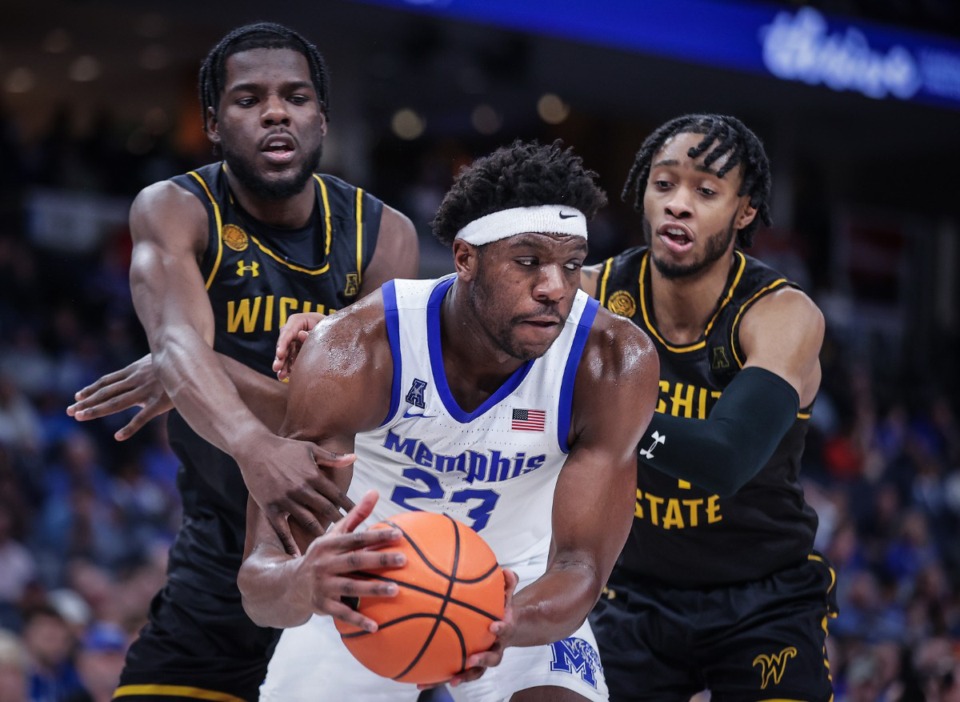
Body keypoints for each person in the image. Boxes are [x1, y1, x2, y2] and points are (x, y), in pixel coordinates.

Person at [231, 139, 659, 701]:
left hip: (522, 583)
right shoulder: (356, 350)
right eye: (529, 261)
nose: (555, 287)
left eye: (572, 265)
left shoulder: (610, 362)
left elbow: (580, 569)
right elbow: (260, 582)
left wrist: (503, 620)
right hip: (363, 577)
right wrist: (302, 582)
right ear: (465, 258)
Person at [67, 22, 418, 702]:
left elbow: (369, 420)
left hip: (342, 542)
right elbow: (175, 347)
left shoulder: (384, 234)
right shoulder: (175, 209)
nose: (276, 112)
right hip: (219, 543)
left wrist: (214, 373)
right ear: (214, 123)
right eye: (249, 99)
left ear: (322, 118)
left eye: (295, 97)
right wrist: (256, 445)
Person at [581, 113, 837, 701]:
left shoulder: (781, 317)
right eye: (664, 183)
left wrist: (597, 410)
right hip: (632, 592)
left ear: (745, 211)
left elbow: (725, 459)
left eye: (706, 191)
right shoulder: (595, 297)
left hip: (763, 598)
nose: (678, 204)